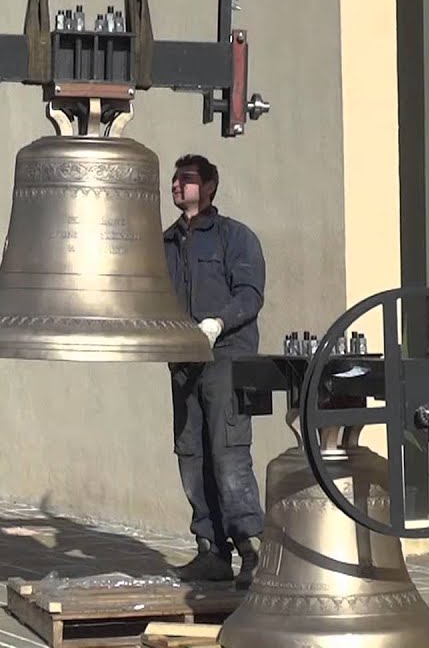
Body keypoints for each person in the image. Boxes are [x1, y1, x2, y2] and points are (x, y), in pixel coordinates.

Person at [162, 153, 266, 590]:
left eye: (185, 179)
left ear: (208, 187)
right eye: (175, 179)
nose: (175, 185)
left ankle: (252, 550)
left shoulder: (234, 238)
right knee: (191, 454)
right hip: (184, 361)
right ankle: (211, 551)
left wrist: (217, 323)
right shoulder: (165, 244)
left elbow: (250, 294)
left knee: (227, 451)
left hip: (225, 358)